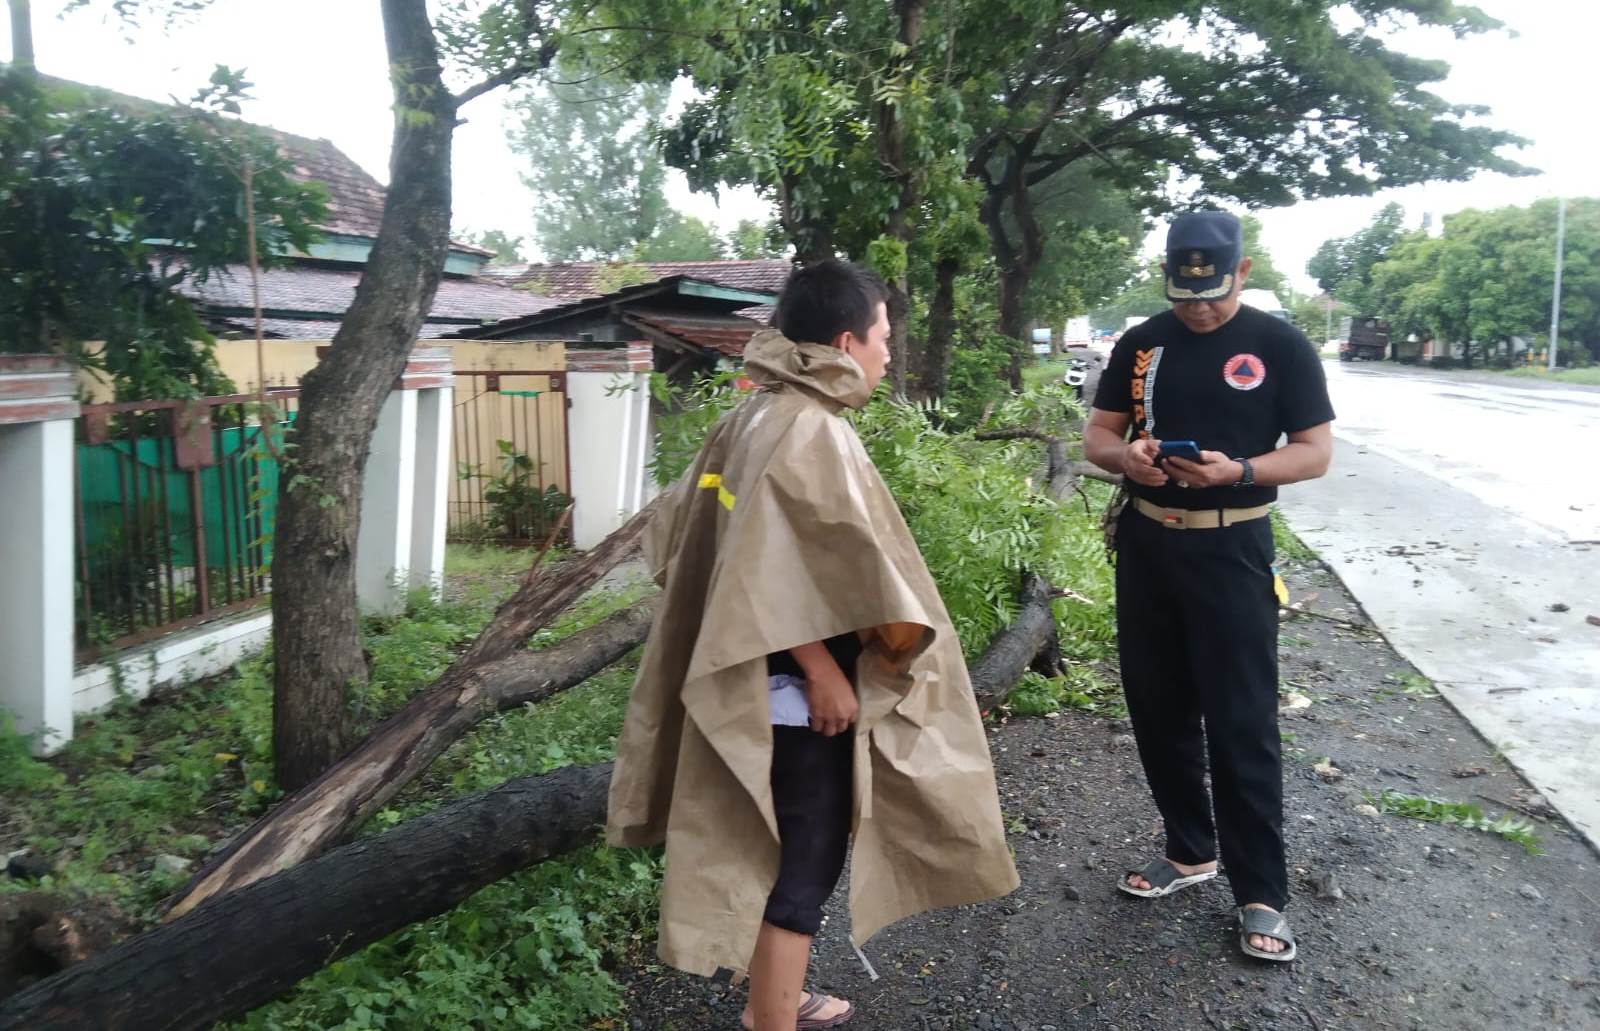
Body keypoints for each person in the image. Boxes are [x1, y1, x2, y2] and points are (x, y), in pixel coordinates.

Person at [607, 260, 1019, 1030]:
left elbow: (696, 548)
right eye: (884, 337)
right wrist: (824, 669)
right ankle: (772, 1018)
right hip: (797, 699)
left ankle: (780, 997)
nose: (889, 354)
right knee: (803, 866)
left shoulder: (756, 415)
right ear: (844, 341)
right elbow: (771, 573)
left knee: (778, 852)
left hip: (760, 685)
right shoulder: (810, 429)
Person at [1084, 211, 1335, 962]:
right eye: (1186, 293)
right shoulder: (1141, 342)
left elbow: (1316, 452)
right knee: (1156, 705)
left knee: (1240, 719)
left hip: (1234, 545)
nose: (1199, 307)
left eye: (1214, 293)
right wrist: (1127, 458)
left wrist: (1241, 469)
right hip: (1150, 542)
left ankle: (1262, 891)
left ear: (1244, 270)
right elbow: (1098, 434)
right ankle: (1190, 850)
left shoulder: (1280, 344)